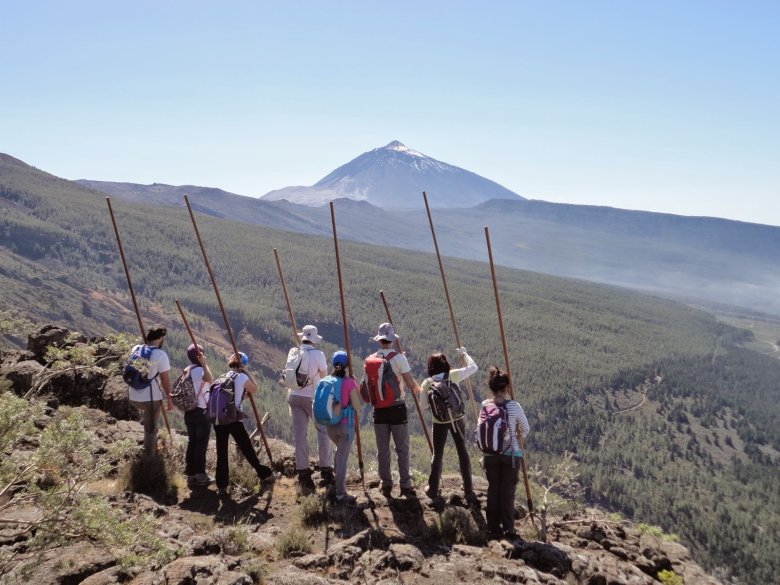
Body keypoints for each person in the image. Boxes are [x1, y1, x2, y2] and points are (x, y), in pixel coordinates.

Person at [362, 322, 422, 498]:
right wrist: (419, 390)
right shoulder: (399, 358)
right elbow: (410, 383)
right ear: (392, 340)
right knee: (402, 447)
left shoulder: (371, 359)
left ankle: (386, 483)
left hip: (379, 408)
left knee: (383, 448)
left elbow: (365, 383)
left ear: (379, 340)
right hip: (397, 407)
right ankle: (405, 485)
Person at [421, 348, 478, 503]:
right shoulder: (453, 375)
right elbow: (474, 368)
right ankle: (468, 489)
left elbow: (424, 406)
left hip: (439, 422)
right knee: (462, 451)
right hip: (458, 418)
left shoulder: (427, 383)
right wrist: (464, 355)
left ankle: (432, 489)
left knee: (437, 454)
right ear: (446, 364)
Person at [214, 352, 274, 496]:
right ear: (243, 365)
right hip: (234, 419)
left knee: (221, 452)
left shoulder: (223, 376)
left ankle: (221, 486)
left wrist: (243, 397)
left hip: (219, 419)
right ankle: (264, 474)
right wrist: (246, 372)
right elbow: (254, 388)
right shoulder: (241, 377)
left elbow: (231, 396)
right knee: (247, 448)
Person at [481, 366, 531, 540]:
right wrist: (517, 434)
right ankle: (508, 528)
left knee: (493, 489)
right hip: (511, 454)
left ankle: (492, 527)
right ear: (507, 387)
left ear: (492, 388)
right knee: (507, 490)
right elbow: (526, 429)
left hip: (490, 454)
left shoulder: (485, 406)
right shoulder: (514, 406)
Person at [285, 325, 332, 490]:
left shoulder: (294, 352)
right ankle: (325, 469)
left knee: (300, 435)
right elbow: (324, 377)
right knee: (323, 431)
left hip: (294, 395)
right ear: (314, 340)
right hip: (311, 397)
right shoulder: (318, 355)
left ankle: (303, 471)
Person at [127, 325, 172, 455]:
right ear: (160, 339)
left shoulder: (136, 349)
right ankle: (149, 458)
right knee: (151, 429)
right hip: (150, 398)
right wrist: (169, 398)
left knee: (148, 416)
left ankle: (147, 449)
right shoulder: (160, 354)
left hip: (133, 396)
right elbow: (164, 380)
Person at [324, 351, 362, 504]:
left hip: (330, 425)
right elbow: (357, 406)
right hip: (346, 426)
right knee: (342, 457)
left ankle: (335, 483)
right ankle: (340, 492)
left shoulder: (327, 380)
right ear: (347, 366)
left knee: (339, 452)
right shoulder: (348, 382)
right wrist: (355, 387)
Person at [182, 343, 214, 487]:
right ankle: (201, 475)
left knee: (192, 442)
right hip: (201, 411)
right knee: (201, 444)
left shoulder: (187, 370)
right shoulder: (200, 370)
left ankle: (190, 474)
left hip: (189, 411)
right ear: (200, 355)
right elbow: (209, 379)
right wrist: (204, 364)